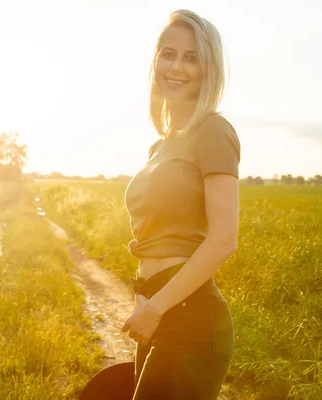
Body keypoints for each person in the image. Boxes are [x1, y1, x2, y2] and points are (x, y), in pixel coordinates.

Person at [122, 9, 240, 399]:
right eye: (168, 53)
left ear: (209, 68)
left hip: (191, 320)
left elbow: (223, 240)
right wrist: (144, 296)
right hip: (158, 310)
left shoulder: (213, 131)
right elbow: (156, 234)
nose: (177, 66)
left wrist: (157, 307)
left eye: (192, 57)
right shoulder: (161, 146)